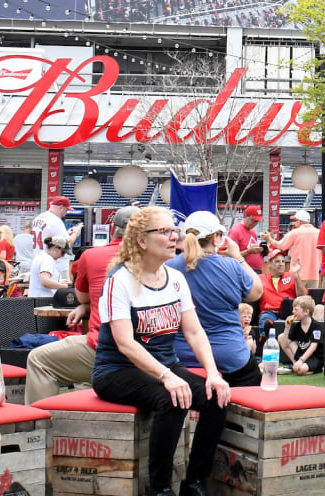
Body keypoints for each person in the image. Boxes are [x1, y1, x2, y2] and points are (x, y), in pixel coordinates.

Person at [91, 207, 231, 496]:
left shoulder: (175, 278)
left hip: (164, 365)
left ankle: (193, 483)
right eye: (165, 231)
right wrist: (167, 376)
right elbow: (125, 343)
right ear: (142, 240)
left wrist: (213, 374)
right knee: (174, 397)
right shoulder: (119, 280)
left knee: (216, 396)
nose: (174, 236)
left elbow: (194, 332)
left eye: (174, 230)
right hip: (116, 370)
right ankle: (160, 489)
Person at [25, 205, 139, 403]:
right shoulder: (160, 263)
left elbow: (83, 297)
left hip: (107, 350)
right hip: (154, 352)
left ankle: (39, 427)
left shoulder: (91, 256)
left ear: (112, 229)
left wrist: (85, 305)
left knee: (38, 360)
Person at [167, 210, 265, 387]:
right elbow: (256, 292)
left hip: (181, 355)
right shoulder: (231, 266)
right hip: (229, 354)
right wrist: (237, 256)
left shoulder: (169, 267)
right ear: (216, 238)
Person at [257, 250, 306, 338]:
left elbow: (303, 296)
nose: (281, 264)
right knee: (265, 319)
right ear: (269, 264)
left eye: (283, 261)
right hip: (269, 312)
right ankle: (264, 344)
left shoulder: (291, 276)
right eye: (277, 261)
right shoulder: (261, 278)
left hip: (290, 312)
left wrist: (295, 276)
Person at [278, 295, 323, 375]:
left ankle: (312, 369)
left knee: (300, 371)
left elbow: (313, 347)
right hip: (301, 353)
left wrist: (301, 360)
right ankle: (295, 364)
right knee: (281, 337)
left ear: (306, 312)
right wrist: (287, 327)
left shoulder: (316, 326)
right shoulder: (297, 326)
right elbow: (285, 344)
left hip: (314, 357)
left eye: (296, 310)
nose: (293, 312)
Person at [273, 210, 320, 286]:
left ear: (299, 221)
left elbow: (280, 246)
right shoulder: (319, 233)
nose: (294, 223)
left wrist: (269, 239)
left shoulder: (295, 233)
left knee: (296, 297)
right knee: (311, 297)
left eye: (295, 220)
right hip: (314, 274)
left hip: (297, 274)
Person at [29, 232, 72, 300]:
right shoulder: (48, 259)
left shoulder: (40, 256)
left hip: (36, 299)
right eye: (63, 252)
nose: (63, 255)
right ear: (55, 247)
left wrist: (58, 282)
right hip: (43, 300)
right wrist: (64, 286)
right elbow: (45, 281)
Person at [229, 207, 266, 274]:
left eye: (257, 221)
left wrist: (263, 251)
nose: (255, 223)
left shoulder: (252, 232)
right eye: (253, 220)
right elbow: (230, 255)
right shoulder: (236, 231)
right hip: (243, 270)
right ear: (245, 216)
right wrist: (248, 251)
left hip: (257, 270)